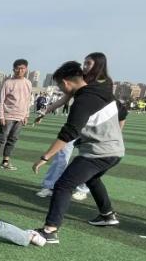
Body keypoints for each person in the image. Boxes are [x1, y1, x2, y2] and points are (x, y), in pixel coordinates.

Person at [31, 61, 125, 244]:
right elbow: (123, 113)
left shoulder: (82, 101)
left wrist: (45, 157)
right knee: (92, 179)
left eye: (60, 86)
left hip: (98, 153)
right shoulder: (103, 91)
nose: (61, 90)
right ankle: (107, 214)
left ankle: (50, 231)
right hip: (116, 151)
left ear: (66, 83)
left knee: (63, 185)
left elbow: (69, 133)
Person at [34, 53, 124, 201]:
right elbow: (65, 97)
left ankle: (83, 189)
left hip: (93, 127)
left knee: (88, 159)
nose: (85, 66)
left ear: (99, 64)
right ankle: (49, 185)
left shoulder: (106, 83)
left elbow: (119, 109)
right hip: (78, 122)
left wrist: (116, 132)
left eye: (88, 63)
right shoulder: (81, 78)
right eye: (84, 63)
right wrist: (45, 111)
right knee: (62, 152)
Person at [0, 59, 33, 170]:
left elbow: (28, 100)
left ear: (26, 69)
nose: (20, 71)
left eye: (22, 68)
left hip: (20, 117)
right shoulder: (8, 83)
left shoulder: (28, 83)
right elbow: (1, 100)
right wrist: (1, 116)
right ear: (14, 69)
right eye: (17, 68)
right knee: (2, 139)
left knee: (13, 139)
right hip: (7, 116)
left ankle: (5, 162)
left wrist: (26, 115)